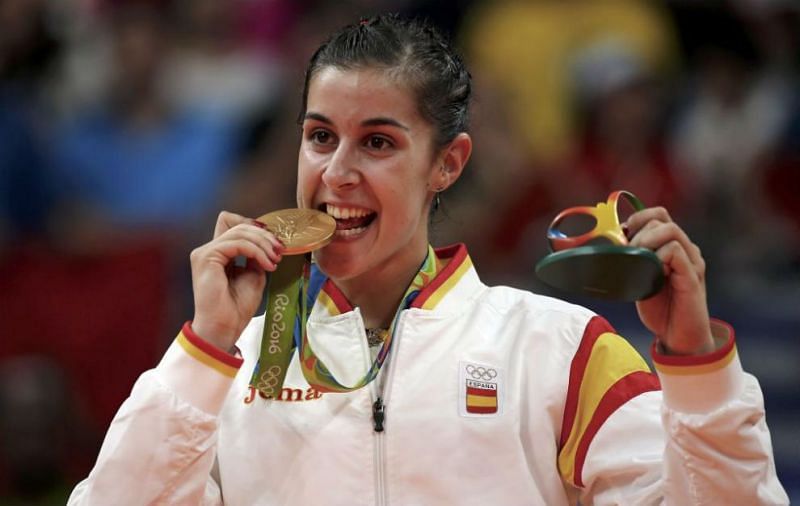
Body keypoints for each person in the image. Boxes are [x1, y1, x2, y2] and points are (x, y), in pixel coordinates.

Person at [67, 14, 788, 505]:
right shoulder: (233, 367)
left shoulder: (556, 349)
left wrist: (696, 363)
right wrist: (203, 352)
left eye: (377, 143)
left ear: (448, 163)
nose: (337, 173)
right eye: (320, 138)